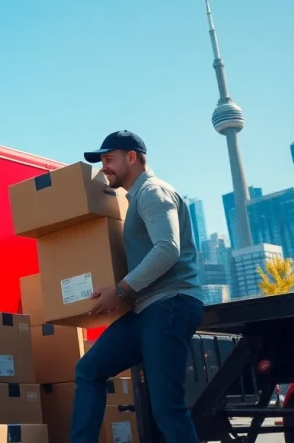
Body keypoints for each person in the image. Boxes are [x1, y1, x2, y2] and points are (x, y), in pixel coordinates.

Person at [70, 131, 204, 443]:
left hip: (170, 304)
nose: (104, 166)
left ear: (132, 157)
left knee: (167, 408)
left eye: (109, 159)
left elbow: (167, 249)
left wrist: (120, 290)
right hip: (148, 309)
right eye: (102, 161)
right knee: (89, 370)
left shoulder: (153, 192)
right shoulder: (136, 199)